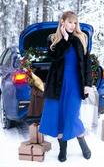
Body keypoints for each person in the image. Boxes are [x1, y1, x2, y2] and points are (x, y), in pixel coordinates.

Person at [39, 11, 93, 162]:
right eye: (70, 22)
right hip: (57, 85)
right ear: (62, 22)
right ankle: (63, 150)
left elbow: (87, 63)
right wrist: (65, 39)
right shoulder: (53, 39)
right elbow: (54, 57)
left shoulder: (81, 39)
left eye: (75, 23)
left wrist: (88, 84)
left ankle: (83, 145)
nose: (73, 25)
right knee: (59, 117)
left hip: (75, 85)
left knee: (72, 116)